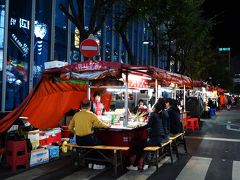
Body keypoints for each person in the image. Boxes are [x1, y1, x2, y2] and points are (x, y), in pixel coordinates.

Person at [127, 98, 169, 171]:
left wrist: (138, 128)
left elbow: (148, 125)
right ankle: (142, 163)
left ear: (155, 108)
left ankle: (136, 165)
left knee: (140, 145)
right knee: (141, 143)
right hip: (160, 138)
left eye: (154, 107)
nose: (153, 108)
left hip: (156, 139)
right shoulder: (159, 115)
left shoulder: (153, 115)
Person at [68, 100, 110, 169]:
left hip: (79, 141)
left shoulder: (76, 115)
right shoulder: (91, 115)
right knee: (101, 143)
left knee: (90, 147)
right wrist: (107, 125)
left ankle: (90, 163)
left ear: (81, 107)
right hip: (88, 139)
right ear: (90, 107)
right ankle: (98, 164)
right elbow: (99, 124)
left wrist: (76, 132)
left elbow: (70, 127)